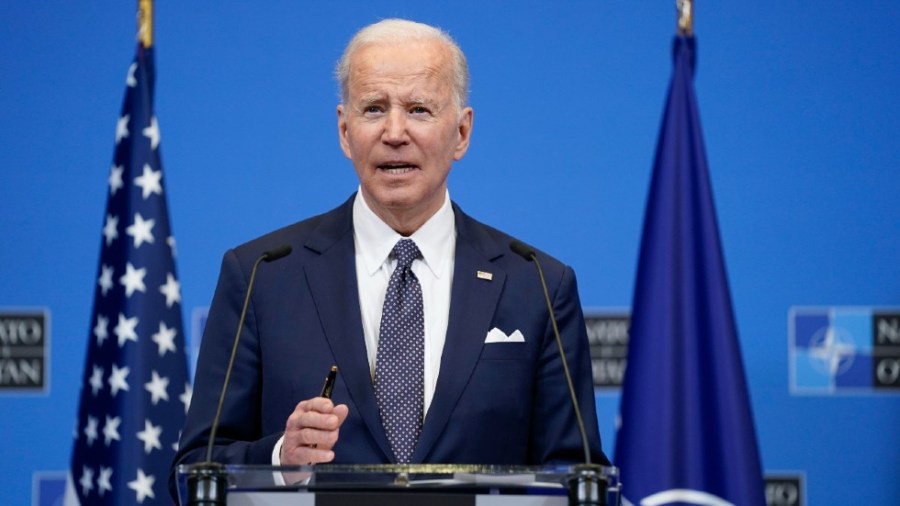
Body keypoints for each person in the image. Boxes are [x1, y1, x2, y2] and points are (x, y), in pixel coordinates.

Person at [171, 17, 607, 496]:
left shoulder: (537, 285)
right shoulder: (263, 275)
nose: (394, 132)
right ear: (344, 130)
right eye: (374, 109)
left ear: (461, 133)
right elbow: (193, 472)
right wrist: (280, 458)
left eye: (419, 109)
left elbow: (578, 479)